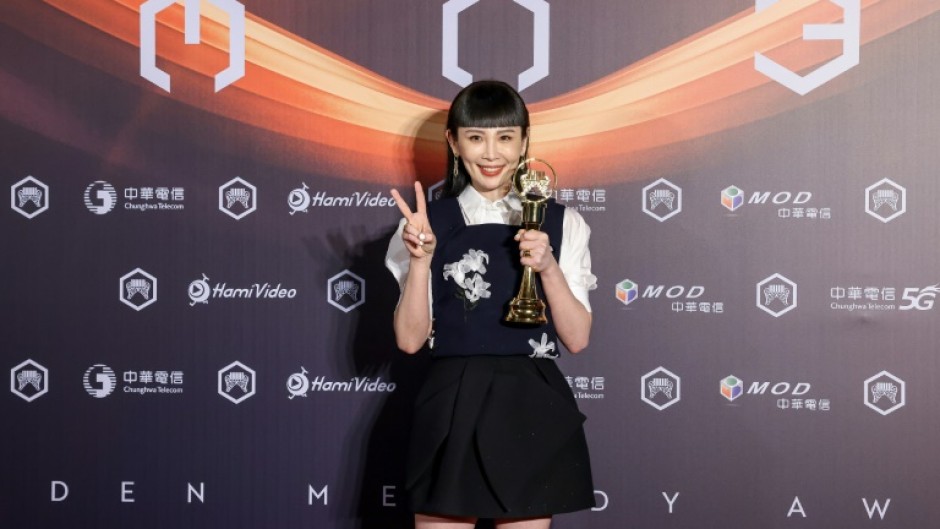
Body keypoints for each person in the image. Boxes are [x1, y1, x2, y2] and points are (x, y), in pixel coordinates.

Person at [386, 80, 596, 529]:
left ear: (524, 141)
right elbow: (408, 341)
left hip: (531, 403)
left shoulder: (563, 222)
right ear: (454, 141)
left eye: (505, 137)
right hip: (450, 402)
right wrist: (421, 261)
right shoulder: (425, 225)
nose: (490, 153)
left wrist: (549, 267)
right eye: (476, 137)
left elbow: (577, 338)